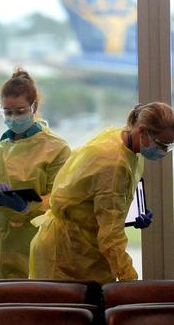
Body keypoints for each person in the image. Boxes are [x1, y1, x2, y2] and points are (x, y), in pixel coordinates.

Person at [29, 102, 173, 284]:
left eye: (169, 146)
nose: (163, 151)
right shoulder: (113, 165)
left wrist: (126, 215)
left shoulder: (120, 140)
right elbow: (111, 238)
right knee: (75, 310)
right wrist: (131, 282)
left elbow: (96, 200)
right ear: (143, 131)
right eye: (162, 144)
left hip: (80, 246)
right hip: (67, 254)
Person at [0, 69, 71, 282]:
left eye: (19, 111)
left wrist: (27, 207)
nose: (13, 118)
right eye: (7, 112)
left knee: (32, 302)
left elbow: (62, 199)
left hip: (36, 238)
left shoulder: (56, 148)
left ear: (34, 107)